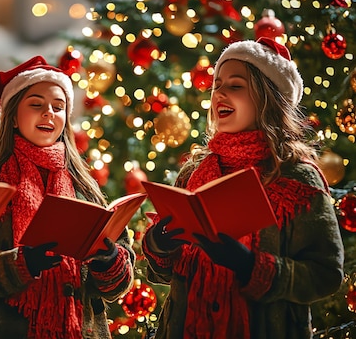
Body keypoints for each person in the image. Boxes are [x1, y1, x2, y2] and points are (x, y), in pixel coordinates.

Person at [141, 37, 345, 339]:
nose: (220, 93)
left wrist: (251, 266)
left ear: (268, 98)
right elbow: (160, 273)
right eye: (217, 85)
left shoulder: (297, 179)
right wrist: (160, 243)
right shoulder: (193, 172)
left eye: (235, 86)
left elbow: (326, 275)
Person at [0, 55, 136, 339]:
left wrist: (109, 259)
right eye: (36, 105)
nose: (49, 113)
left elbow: (118, 287)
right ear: (13, 117)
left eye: (58, 107)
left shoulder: (87, 189)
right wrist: (20, 264)